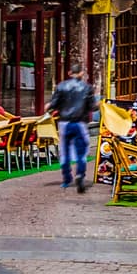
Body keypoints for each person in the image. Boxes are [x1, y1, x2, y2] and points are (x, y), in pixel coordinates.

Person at [50, 64, 98, 194]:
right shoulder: (87, 88)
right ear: (81, 73)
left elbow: (54, 104)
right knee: (81, 152)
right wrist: (98, 104)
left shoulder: (61, 86)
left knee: (64, 151)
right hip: (80, 122)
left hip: (64, 122)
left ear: (70, 73)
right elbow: (92, 107)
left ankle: (66, 178)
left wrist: (50, 107)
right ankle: (80, 174)